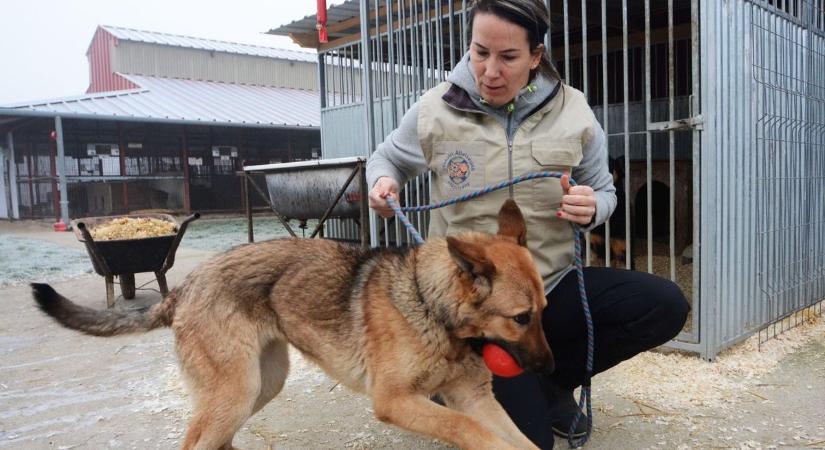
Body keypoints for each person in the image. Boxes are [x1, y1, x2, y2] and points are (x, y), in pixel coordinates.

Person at [366, 0, 690, 448]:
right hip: (472, 302)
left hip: (548, 287)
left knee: (664, 303)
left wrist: (592, 205)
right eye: (480, 52)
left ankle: (553, 382)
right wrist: (382, 183)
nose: (490, 71)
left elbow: (605, 190)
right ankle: (458, 382)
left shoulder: (574, 111)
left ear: (536, 56)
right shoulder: (434, 109)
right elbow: (388, 159)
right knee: (533, 443)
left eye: (508, 57)